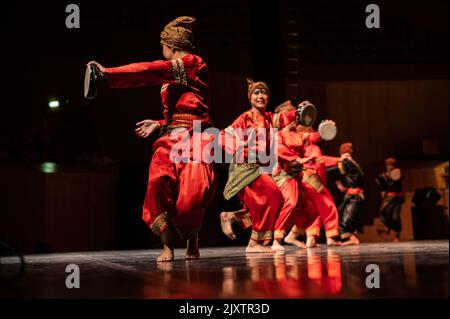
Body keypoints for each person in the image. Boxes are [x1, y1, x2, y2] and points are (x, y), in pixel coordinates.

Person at [87, 16, 215, 262]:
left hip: (196, 138)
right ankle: (167, 245)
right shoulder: (172, 80)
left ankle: (192, 239)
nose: (162, 50)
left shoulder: (192, 63)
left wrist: (107, 73)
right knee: (156, 184)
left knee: (191, 195)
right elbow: (174, 112)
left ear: (172, 46)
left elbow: (149, 70)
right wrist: (157, 124)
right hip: (170, 138)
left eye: (163, 45)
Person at [218, 80, 301, 252]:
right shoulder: (245, 118)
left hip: (260, 167)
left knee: (269, 201)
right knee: (274, 196)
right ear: (250, 97)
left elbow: (285, 117)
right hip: (246, 166)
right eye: (256, 93)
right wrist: (241, 149)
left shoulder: (270, 118)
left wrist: (300, 112)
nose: (260, 96)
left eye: (263, 93)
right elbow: (224, 136)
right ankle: (253, 243)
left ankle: (232, 217)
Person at [327, 142, 365, 245]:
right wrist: (344, 188)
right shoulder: (351, 163)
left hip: (354, 196)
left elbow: (332, 171)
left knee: (347, 217)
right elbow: (354, 178)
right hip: (352, 195)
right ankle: (352, 237)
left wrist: (317, 169)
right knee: (344, 213)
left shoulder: (347, 162)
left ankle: (351, 238)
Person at [375, 157, 404, 242]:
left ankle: (397, 235)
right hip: (388, 199)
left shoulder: (398, 173)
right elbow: (380, 185)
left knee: (396, 217)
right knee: (384, 216)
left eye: (392, 165)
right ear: (386, 166)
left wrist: (395, 172)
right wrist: (382, 191)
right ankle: (388, 228)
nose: (390, 167)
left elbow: (399, 178)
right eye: (389, 165)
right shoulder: (382, 176)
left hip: (397, 199)